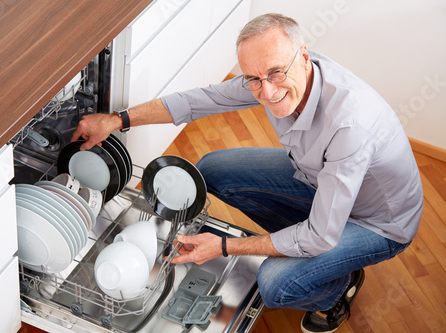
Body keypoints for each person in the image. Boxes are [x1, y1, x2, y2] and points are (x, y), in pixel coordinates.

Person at [71, 13, 423, 333]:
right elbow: (197, 101)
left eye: (274, 74)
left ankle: (335, 289)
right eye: (254, 80)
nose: (267, 92)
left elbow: (319, 236)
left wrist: (224, 247)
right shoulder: (270, 73)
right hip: (320, 181)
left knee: (274, 284)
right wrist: (117, 119)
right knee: (212, 170)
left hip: (378, 223)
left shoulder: (349, 125)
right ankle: (320, 258)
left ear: (304, 57)